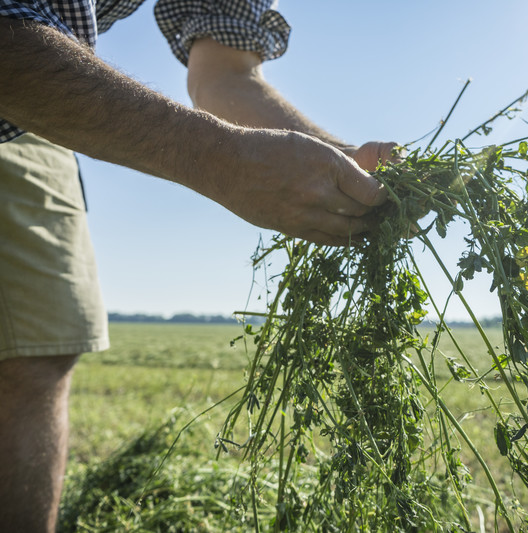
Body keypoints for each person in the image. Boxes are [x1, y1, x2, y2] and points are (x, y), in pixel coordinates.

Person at [0, 0, 396, 530]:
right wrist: (218, 158)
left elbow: (225, 77)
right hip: (22, 64)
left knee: (40, 345)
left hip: (25, 116)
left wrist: (340, 163)